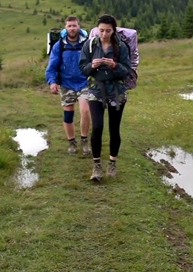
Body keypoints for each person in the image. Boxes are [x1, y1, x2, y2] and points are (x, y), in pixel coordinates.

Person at [79, 14, 131, 181]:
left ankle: (112, 163)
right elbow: (82, 68)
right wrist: (91, 66)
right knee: (98, 127)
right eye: (101, 30)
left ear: (113, 30)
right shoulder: (90, 45)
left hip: (117, 90)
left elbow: (127, 70)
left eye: (108, 31)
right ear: (97, 29)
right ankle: (96, 166)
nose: (104, 34)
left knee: (114, 128)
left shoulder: (121, 46)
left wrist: (114, 65)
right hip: (95, 89)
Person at [45, 16, 92, 155]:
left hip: (84, 82)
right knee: (68, 115)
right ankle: (71, 142)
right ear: (66, 28)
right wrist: (52, 81)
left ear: (79, 27)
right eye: (69, 26)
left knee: (85, 111)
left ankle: (84, 140)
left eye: (74, 25)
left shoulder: (87, 43)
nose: (72, 28)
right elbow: (52, 66)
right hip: (66, 84)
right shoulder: (59, 45)